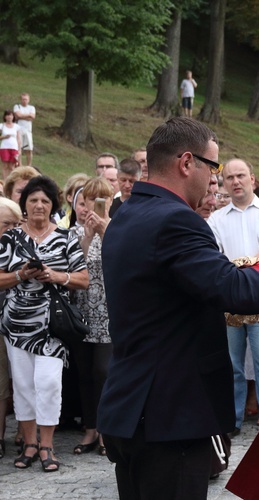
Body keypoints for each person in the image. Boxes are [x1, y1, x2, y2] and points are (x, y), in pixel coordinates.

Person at [97, 117, 259, 499]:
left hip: (133, 405)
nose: (216, 179)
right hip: (169, 413)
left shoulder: (127, 214)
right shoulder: (175, 219)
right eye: (214, 167)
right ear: (186, 163)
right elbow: (228, 285)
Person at [0, 176, 90, 471]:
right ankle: (29, 444)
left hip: (53, 324)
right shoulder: (10, 239)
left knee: (48, 384)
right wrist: (21, 276)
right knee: (24, 386)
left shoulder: (65, 237)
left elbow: (84, 279)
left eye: (45, 201)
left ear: (53, 205)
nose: (39, 205)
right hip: (17, 324)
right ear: (24, 204)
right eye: (33, 200)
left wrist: (55, 276)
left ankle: (48, 446)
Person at [207, 158, 259, 432]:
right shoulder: (216, 219)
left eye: (240, 175)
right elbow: (214, 255)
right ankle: (231, 421)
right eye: (229, 178)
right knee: (231, 365)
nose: (235, 181)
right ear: (224, 184)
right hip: (230, 298)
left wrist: (246, 263)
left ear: (252, 178)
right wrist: (238, 271)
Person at [70, 177, 115, 457]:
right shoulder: (73, 233)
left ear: (110, 201)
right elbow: (75, 267)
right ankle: (90, 427)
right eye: (89, 199)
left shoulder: (118, 229)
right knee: (84, 372)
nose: (94, 205)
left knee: (104, 370)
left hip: (110, 311)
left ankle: (106, 429)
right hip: (82, 310)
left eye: (102, 198)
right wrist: (87, 236)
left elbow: (124, 261)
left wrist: (103, 231)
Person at [0, 197, 22, 460]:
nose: (14, 229)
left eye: (18, 223)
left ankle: (11, 434)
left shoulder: (22, 246)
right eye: (7, 224)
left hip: (17, 323)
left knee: (12, 382)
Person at [13, 94, 35, 167]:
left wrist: (21, 116)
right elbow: (18, 115)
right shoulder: (17, 106)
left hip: (28, 130)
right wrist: (27, 116)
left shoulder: (31, 108)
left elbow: (32, 117)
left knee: (29, 149)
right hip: (19, 130)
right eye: (23, 99)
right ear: (21, 99)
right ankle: (20, 165)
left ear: (28, 100)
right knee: (19, 149)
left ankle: (29, 165)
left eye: (26, 99)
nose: (24, 101)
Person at [0, 110, 22, 179]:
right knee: (5, 166)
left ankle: (11, 181)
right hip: (4, 147)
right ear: (5, 117)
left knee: (12, 166)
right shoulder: (1, 126)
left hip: (14, 147)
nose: (9, 117)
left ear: (13, 117)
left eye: (11, 115)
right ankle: (5, 181)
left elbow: (18, 139)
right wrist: (4, 137)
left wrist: (19, 149)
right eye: (8, 115)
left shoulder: (16, 127)